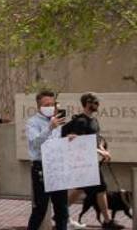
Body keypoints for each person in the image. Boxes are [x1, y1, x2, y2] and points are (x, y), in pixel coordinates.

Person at [61, 93, 124, 229]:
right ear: (87, 104)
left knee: (80, 189)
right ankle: (107, 221)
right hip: (83, 163)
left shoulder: (94, 121)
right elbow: (79, 143)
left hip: (91, 161)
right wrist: (101, 152)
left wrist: (103, 149)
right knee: (101, 188)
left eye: (97, 103)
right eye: (94, 102)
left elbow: (97, 139)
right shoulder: (80, 122)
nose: (97, 105)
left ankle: (60, 214)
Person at [27, 90, 70, 230]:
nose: (50, 107)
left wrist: (70, 138)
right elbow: (35, 143)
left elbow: (61, 142)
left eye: (52, 104)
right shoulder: (32, 122)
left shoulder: (59, 121)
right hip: (41, 167)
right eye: (46, 105)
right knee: (40, 209)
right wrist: (50, 128)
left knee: (62, 209)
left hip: (58, 167)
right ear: (39, 106)